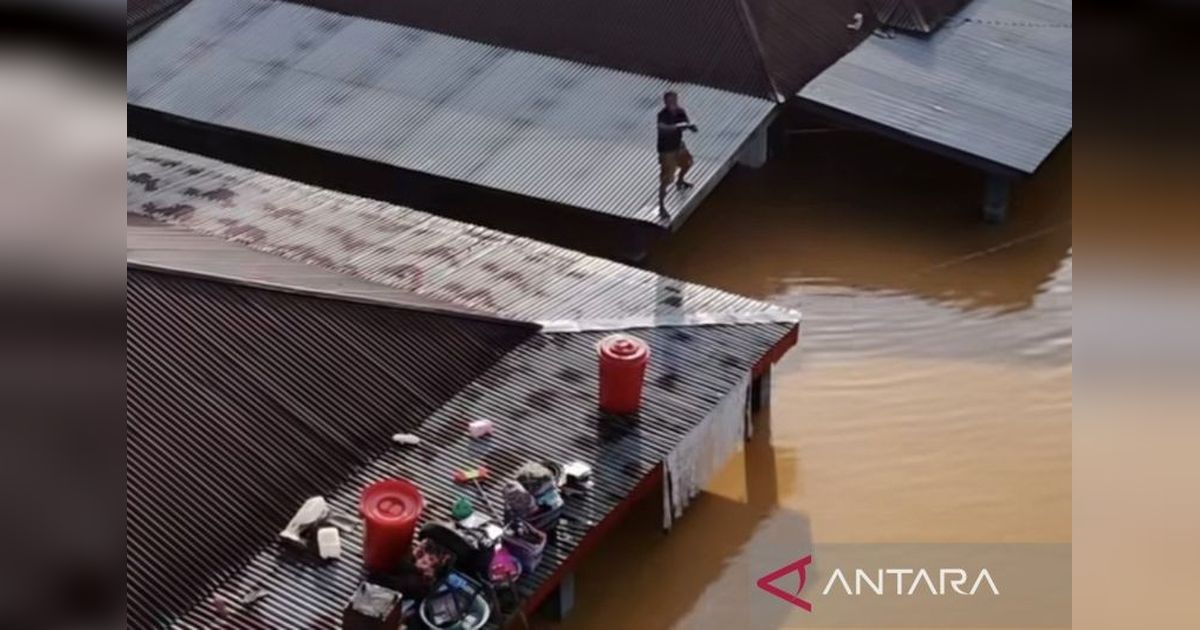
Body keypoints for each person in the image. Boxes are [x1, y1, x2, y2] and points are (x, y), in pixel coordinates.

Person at [656, 91, 698, 215]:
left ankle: (680, 181)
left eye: (674, 100)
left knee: (688, 162)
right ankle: (661, 206)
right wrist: (678, 126)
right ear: (665, 102)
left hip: (678, 146)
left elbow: (685, 124)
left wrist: (690, 126)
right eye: (669, 101)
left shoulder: (680, 111)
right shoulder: (662, 114)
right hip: (666, 150)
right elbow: (662, 127)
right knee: (667, 178)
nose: (672, 103)